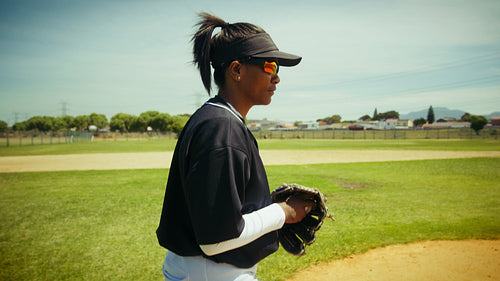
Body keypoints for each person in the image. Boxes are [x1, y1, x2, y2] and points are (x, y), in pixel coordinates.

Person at [156, 13, 314, 281]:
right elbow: (216, 239)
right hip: (211, 272)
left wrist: (263, 208)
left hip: (203, 269)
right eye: (269, 66)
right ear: (237, 70)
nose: (276, 77)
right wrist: (282, 213)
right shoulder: (222, 128)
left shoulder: (218, 119)